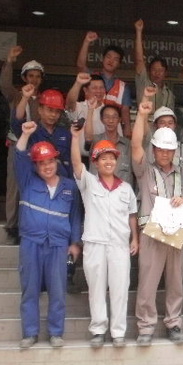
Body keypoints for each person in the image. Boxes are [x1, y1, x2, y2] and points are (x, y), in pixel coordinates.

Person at [131, 99, 183, 346]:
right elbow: (135, 145)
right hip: (151, 234)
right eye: (160, 149)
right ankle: (146, 326)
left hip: (177, 234)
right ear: (154, 149)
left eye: (169, 150)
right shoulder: (145, 171)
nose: (164, 153)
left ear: (174, 151)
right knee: (147, 283)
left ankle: (173, 323)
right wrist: (141, 116)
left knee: (175, 282)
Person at [14, 121, 82, 349]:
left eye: (50, 161)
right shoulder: (27, 180)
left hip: (58, 244)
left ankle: (55, 332)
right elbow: (19, 157)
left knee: (58, 290)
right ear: (35, 166)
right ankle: (30, 333)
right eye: (41, 163)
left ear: (56, 161)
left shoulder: (69, 186)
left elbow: (75, 216)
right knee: (30, 289)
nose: (47, 166)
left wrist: (75, 243)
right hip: (31, 242)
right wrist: (25, 135)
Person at [71, 125, 138, 348]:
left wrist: (135, 238)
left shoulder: (126, 188)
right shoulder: (89, 183)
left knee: (120, 290)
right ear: (96, 162)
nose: (108, 162)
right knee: (96, 289)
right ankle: (98, 330)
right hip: (95, 243)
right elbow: (76, 164)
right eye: (103, 158)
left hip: (119, 245)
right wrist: (75, 137)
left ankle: (118, 332)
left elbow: (132, 215)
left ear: (116, 161)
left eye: (111, 158)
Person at [0, 46, 45, 244]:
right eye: (30, 76)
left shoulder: (44, 99)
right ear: (24, 78)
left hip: (38, 148)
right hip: (17, 146)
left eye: (37, 76)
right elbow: (4, 84)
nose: (34, 79)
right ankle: (12, 226)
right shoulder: (16, 96)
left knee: (37, 184)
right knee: (14, 186)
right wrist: (9, 61)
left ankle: (32, 224)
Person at [77, 31, 133, 136]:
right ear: (102, 58)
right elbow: (80, 65)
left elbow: (125, 115)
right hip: (90, 128)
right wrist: (87, 41)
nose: (111, 61)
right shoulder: (91, 77)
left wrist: (127, 137)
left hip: (112, 133)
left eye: (115, 59)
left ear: (119, 64)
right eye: (108, 57)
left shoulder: (123, 87)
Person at [11, 85, 73, 178]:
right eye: (50, 110)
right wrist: (25, 98)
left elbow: (70, 162)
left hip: (62, 181)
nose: (53, 115)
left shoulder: (65, 133)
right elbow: (17, 120)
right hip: (37, 181)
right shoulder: (30, 131)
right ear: (40, 110)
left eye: (57, 112)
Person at [85, 103, 133, 185]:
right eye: (107, 117)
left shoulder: (127, 144)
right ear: (101, 119)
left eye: (114, 117)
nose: (111, 121)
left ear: (119, 119)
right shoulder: (96, 140)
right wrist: (90, 110)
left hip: (122, 191)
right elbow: (88, 137)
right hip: (98, 190)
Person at [134, 19, 175, 109]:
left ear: (166, 73)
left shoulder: (169, 94)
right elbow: (139, 60)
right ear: (149, 71)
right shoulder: (144, 83)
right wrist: (139, 31)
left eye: (160, 70)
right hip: (144, 117)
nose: (157, 73)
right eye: (154, 70)